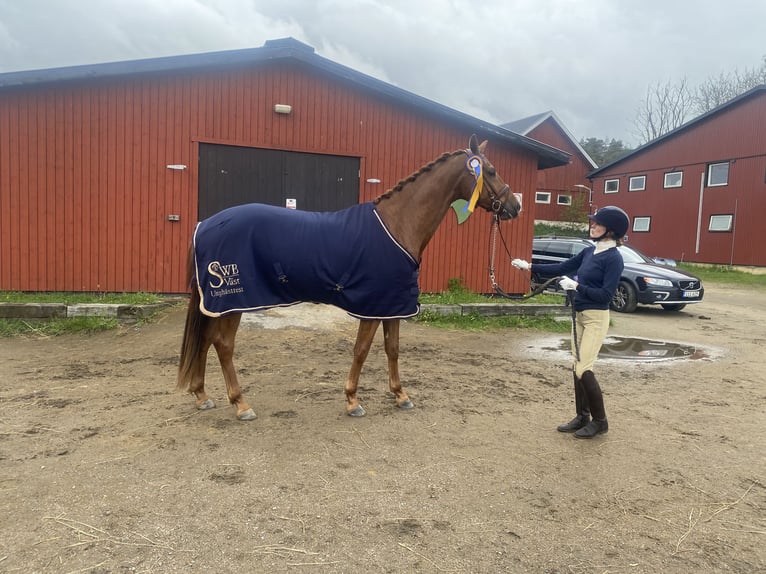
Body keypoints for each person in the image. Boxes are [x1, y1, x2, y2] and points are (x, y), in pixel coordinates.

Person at [511, 206, 629, 439]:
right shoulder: (589, 252)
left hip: (596, 318)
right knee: (577, 367)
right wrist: (530, 266)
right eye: (592, 223)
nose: (592, 226)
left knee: (585, 368)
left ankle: (601, 421)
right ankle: (582, 416)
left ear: (611, 231)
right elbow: (563, 267)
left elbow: (606, 295)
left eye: (597, 224)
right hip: (580, 315)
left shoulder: (614, 258)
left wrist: (577, 287)